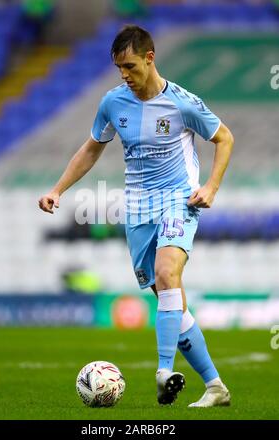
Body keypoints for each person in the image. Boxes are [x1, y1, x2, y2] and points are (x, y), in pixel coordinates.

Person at [39, 25, 234, 407]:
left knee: (167, 274)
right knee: (166, 297)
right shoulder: (113, 102)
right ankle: (215, 386)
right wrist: (57, 189)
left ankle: (164, 371)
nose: (124, 75)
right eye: (118, 69)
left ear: (150, 57)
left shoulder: (182, 103)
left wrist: (210, 187)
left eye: (129, 66)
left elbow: (224, 138)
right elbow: (92, 148)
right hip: (138, 208)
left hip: (179, 199)